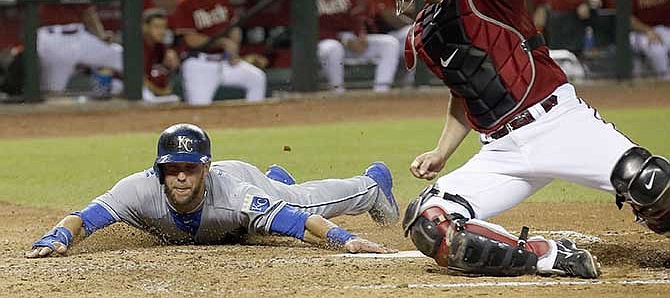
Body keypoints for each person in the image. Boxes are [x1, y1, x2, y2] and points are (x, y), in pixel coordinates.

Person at [384, 0, 670, 279]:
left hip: (559, 123)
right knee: (429, 223)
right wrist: (441, 152)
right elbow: (463, 93)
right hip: (502, 153)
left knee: (653, 184)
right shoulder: (423, 32)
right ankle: (547, 255)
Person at [25, 123, 399, 258]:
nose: (181, 177)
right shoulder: (137, 190)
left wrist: (344, 239)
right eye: (172, 169)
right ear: (160, 169)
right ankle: (278, 180)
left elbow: (300, 223)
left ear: (204, 167)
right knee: (265, 212)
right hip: (238, 209)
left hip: (247, 181)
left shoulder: (234, 192)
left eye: (189, 168)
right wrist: (60, 235)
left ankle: (371, 185)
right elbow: (84, 219)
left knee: (298, 200)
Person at [170, 0, 267, 105]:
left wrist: (233, 47)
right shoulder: (185, 1)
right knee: (199, 109)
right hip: (199, 63)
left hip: (224, 61)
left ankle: (253, 122)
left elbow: (233, 26)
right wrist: (222, 43)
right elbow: (191, 39)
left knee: (256, 78)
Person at [306, 0, 399, 93]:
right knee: (333, 48)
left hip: (350, 41)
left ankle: (381, 90)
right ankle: (338, 91)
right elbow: (309, 29)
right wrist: (343, 38)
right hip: (323, 45)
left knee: (389, 43)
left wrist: (361, 34)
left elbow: (358, 14)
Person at [142, 8, 181, 103]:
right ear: (145, 27)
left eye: (164, 27)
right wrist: (161, 92)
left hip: (149, 88)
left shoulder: (159, 46)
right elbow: (139, 80)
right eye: (157, 27)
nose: (162, 31)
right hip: (122, 85)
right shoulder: (139, 46)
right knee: (148, 99)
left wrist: (172, 66)